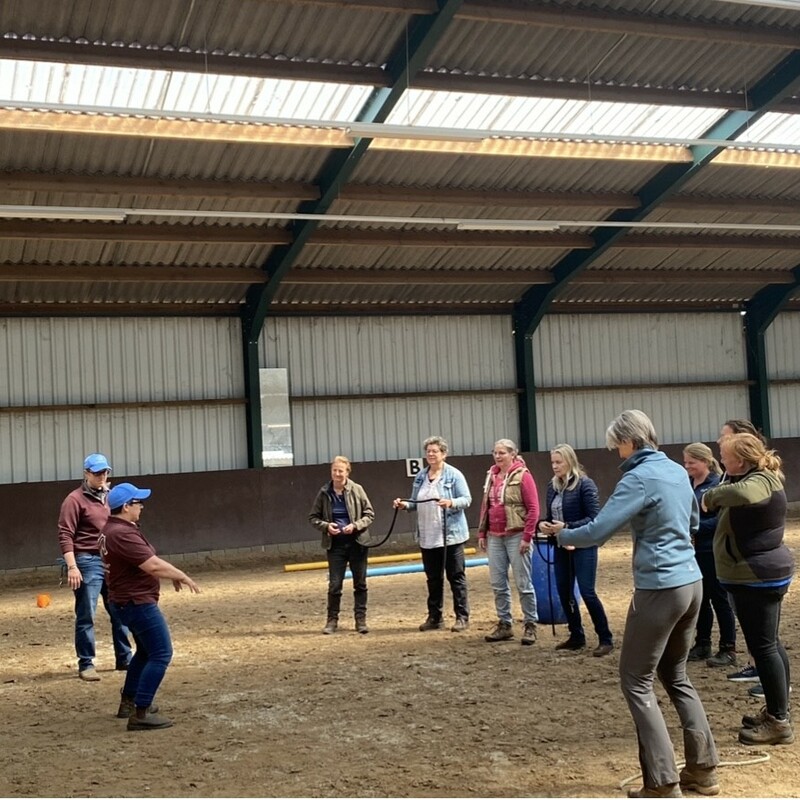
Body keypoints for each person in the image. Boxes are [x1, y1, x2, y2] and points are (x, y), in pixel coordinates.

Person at [553, 410, 719, 798]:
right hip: (691, 582)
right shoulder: (678, 471)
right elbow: (694, 520)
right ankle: (704, 768)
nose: (617, 453)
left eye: (617, 446)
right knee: (676, 676)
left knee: (636, 681)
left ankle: (662, 782)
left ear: (629, 441)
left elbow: (599, 530)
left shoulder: (638, 477)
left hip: (659, 587)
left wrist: (563, 536)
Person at [702, 433, 795, 746]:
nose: (721, 460)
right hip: (758, 573)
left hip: (756, 575)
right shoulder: (758, 476)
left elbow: (744, 493)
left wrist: (712, 496)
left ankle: (779, 722)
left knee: (765, 647)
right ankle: (778, 712)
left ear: (739, 460)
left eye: (724, 455)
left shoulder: (760, 481)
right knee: (769, 643)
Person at [100, 482, 200, 731]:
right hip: (136, 602)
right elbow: (151, 565)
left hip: (125, 601)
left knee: (145, 652)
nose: (141, 506)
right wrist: (181, 575)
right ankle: (141, 712)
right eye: (137, 502)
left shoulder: (112, 529)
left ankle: (130, 700)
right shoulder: (123, 534)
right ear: (126, 507)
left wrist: (173, 573)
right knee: (161, 653)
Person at [57, 453, 132, 681]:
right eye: (98, 472)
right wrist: (72, 566)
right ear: (86, 473)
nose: (102, 476)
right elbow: (65, 534)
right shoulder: (74, 500)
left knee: (120, 610)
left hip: (111, 559)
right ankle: (86, 663)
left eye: (105, 472)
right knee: (86, 613)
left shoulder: (111, 497)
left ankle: (124, 656)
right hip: (87, 560)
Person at [539, 444, 613, 657]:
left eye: (558, 462)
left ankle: (605, 637)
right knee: (564, 590)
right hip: (561, 544)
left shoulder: (585, 485)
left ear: (569, 461)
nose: (554, 466)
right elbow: (550, 515)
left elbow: (593, 518)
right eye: (553, 462)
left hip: (583, 545)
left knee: (587, 592)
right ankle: (576, 634)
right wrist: (544, 525)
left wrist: (568, 527)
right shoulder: (552, 487)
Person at [393, 436, 472, 632]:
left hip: (450, 536)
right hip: (428, 536)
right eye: (428, 451)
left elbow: (466, 499)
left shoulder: (454, 475)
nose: (430, 454)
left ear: (443, 454)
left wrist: (451, 502)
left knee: (456, 576)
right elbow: (415, 502)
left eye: (434, 451)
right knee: (433, 578)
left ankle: (462, 616)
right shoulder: (420, 476)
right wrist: (404, 505)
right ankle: (435, 617)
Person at [715, 420, 766, 686]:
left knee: (763, 631)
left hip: (751, 563)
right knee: (749, 622)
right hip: (735, 561)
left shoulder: (754, 479)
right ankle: (754, 663)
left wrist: (712, 498)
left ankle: (764, 671)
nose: (719, 441)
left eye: (724, 437)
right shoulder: (729, 474)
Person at [477, 439, 539, 645]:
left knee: (523, 582)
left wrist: (527, 536)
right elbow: (485, 505)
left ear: (513, 454)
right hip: (495, 535)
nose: (498, 456)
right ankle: (505, 623)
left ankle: (530, 624)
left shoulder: (523, 476)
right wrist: (482, 533)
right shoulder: (491, 475)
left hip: (516, 534)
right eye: (495, 452)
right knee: (497, 582)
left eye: (502, 452)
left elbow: (533, 509)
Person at [683, 443, 737, 669]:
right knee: (700, 599)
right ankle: (702, 642)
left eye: (691, 463)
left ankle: (728, 648)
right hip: (693, 551)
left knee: (719, 598)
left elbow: (720, 520)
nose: (687, 467)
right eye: (685, 463)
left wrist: (693, 528)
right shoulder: (687, 484)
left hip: (712, 550)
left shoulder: (717, 485)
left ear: (704, 461)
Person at [309, 456, 375, 635]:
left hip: (357, 543)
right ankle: (332, 620)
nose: (337, 474)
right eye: (334, 470)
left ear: (347, 472)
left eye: (340, 470)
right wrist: (326, 526)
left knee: (360, 583)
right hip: (335, 545)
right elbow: (313, 517)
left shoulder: (357, 490)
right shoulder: (324, 493)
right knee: (335, 584)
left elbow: (369, 514)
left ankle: (360, 620)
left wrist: (355, 526)